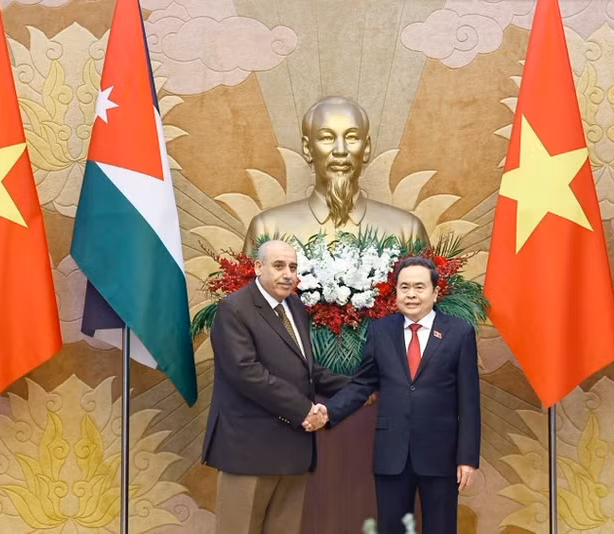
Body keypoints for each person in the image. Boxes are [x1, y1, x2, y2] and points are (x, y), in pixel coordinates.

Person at [316, 257, 481, 533]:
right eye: (404, 287)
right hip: (392, 454)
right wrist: (328, 411)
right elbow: (362, 384)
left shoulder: (458, 333)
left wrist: (467, 458)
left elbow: (469, 401)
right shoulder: (381, 331)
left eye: (419, 286)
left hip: (441, 455)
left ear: (435, 292)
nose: (411, 294)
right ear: (396, 293)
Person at [202, 240, 349, 534]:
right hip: (249, 450)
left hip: (292, 450)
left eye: (293, 267)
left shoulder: (294, 306)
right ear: (258, 267)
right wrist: (305, 409)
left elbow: (305, 371)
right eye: (279, 266)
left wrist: (357, 386)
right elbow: (247, 373)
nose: (288, 274)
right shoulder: (234, 309)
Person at [243, 96, 429, 256]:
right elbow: (250, 297)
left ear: (366, 148)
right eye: (327, 138)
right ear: (308, 149)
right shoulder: (267, 229)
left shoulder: (407, 231)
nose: (340, 151)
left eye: (351, 137)